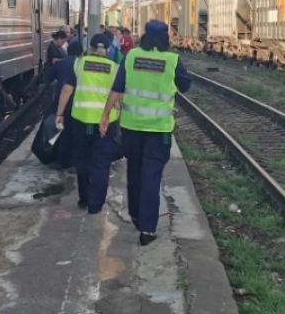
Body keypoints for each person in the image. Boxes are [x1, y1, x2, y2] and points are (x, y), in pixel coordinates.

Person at [99, 20, 192, 246]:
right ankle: (148, 230)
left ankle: (137, 216)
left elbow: (117, 88)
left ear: (145, 36)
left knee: (135, 172)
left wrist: (105, 116)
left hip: (132, 127)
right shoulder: (172, 60)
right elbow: (185, 85)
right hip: (158, 129)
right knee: (152, 175)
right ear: (166, 38)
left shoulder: (131, 57)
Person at [56, 33, 120, 213]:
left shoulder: (79, 64)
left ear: (90, 48)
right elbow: (120, 96)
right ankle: (96, 204)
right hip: (105, 123)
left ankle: (84, 199)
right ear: (107, 50)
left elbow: (67, 90)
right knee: (101, 162)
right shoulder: (114, 68)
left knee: (82, 160)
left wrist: (60, 113)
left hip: (81, 120)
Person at [45, 38, 83, 168]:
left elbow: (47, 78)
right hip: (78, 103)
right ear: (82, 53)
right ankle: (75, 161)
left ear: (67, 51)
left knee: (62, 132)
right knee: (77, 134)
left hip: (62, 102)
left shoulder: (61, 63)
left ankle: (62, 160)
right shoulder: (82, 65)